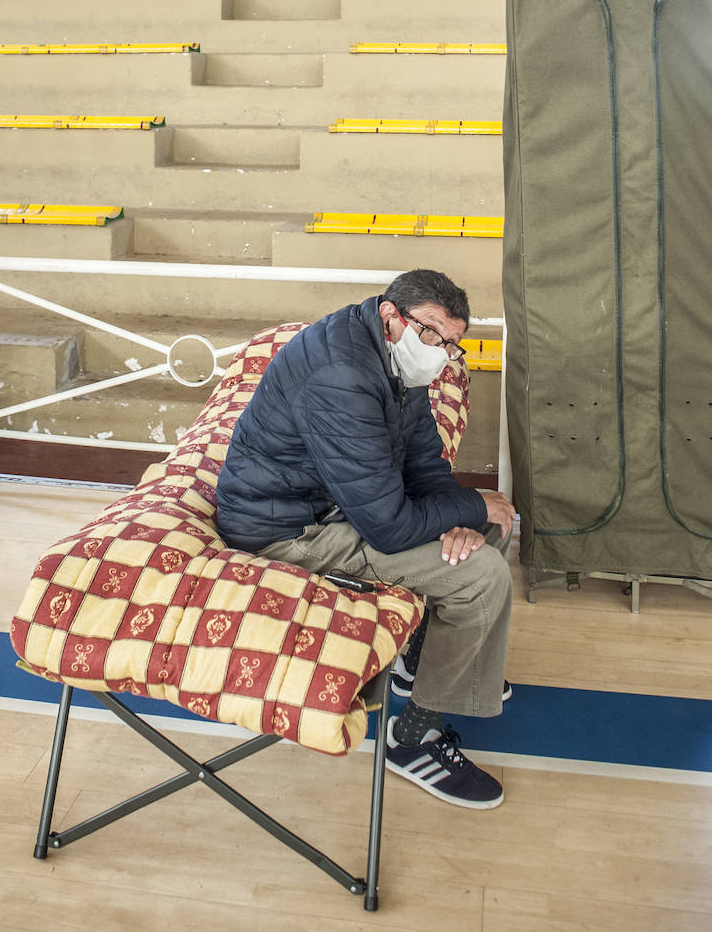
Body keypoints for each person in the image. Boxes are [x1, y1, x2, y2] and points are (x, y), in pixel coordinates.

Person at [217, 268, 516, 809]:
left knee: (489, 528)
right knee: (482, 572)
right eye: (431, 334)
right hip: (288, 530)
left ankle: (422, 663)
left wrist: (462, 517)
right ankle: (413, 738)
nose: (441, 352)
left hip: (335, 504)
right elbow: (388, 526)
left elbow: (424, 457)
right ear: (390, 315)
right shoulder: (342, 374)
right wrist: (470, 503)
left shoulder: (389, 354)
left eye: (452, 343)